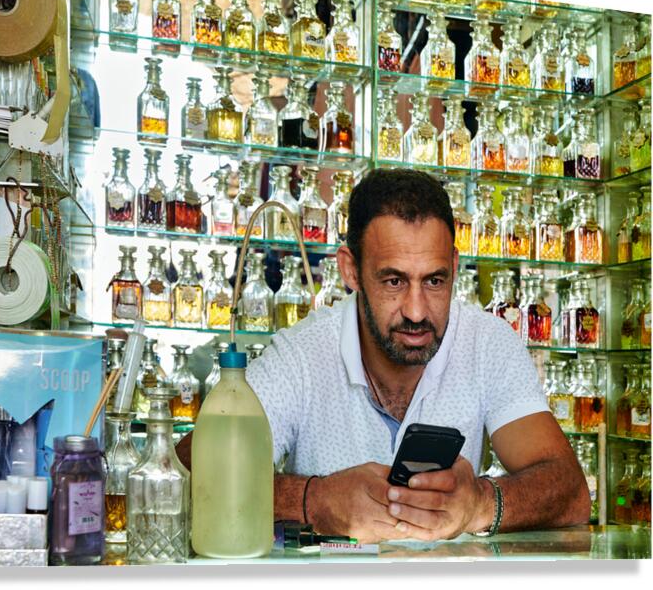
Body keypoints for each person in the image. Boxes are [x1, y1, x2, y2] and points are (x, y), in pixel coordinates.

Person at [176, 168, 589, 543]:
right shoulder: (301, 355)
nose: (416, 311)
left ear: (454, 266)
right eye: (394, 281)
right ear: (351, 271)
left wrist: (480, 503)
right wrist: (313, 500)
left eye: (435, 281)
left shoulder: (487, 343)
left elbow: (571, 493)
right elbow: (186, 471)